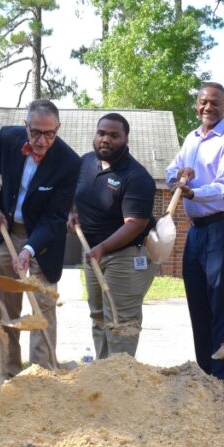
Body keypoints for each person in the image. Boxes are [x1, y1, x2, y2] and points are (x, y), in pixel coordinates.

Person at [0, 99, 81, 378]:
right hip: (8, 231)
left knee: (42, 308)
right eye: (35, 132)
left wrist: (29, 250)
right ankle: (8, 375)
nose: (42, 140)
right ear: (25, 126)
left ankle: (40, 376)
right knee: (7, 307)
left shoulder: (69, 162)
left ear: (58, 129)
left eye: (50, 133)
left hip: (44, 240)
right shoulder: (7, 138)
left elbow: (54, 217)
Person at [165, 82, 224, 385]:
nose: (207, 108)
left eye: (214, 102)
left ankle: (220, 380)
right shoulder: (192, 138)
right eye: (202, 102)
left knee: (220, 302)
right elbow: (173, 169)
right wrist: (177, 180)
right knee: (197, 299)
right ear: (196, 105)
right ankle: (203, 374)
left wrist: (192, 191)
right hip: (196, 229)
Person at [68, 113, 157, 358]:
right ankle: (103, 372)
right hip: (93, 251)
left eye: (114, 135)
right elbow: (75, 193)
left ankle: (121, 381)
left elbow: (135, 224)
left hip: (125, 256)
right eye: (102, 133)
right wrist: (72, 212)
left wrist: (103, 248)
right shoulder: (85, 163)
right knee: (98, 315)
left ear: (126, 139)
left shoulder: (136, 176)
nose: (106, 139)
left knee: (121, 319)